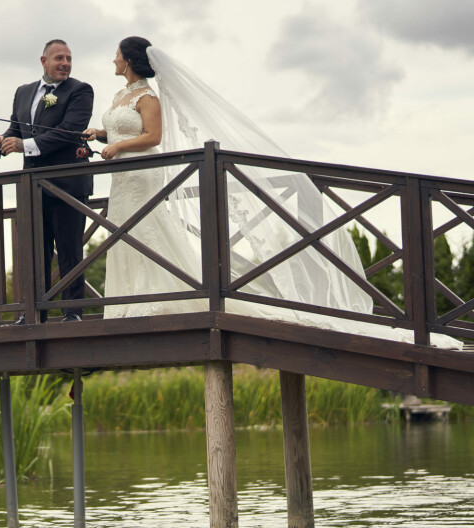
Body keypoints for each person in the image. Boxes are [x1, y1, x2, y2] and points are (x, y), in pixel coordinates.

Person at [86, 37, 461, 349]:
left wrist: (118, 148)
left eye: (117, 54)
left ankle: (160, 299)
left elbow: (153, 137)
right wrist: (102, 135)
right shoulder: (122, 95)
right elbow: (124, 128)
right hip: (121, 180)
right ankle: (128, 301)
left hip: (139, 173)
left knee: (150, 232)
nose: (113, 59)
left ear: (130, 59)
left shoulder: (148, 97)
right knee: (126, 235)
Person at [0, 39, 94, 324]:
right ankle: (34, 313)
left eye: (69, 59)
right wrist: (0, 145)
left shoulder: (80, 91)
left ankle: (73, 313)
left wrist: (24, 145)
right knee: (36, 252)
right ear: (43, 61)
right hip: (32, 186)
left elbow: (67, 132)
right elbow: (17, 128)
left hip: (68, 183)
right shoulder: (23, 92)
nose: (65, 64)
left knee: (70, 250)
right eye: (59, 58)